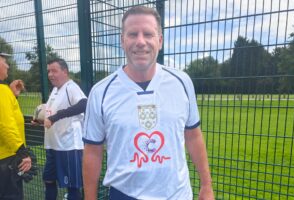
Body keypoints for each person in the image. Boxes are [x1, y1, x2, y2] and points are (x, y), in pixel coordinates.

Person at [82, 6, 214, 200]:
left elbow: (193, 136)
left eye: (148, 34)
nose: (140, 42)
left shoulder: (182, 82)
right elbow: (93, 151)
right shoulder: (101, 92)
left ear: (159, 40)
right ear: (122, 40)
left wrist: (207, 185)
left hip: (177, 195)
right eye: (133, 34)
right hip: (125, 195)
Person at [39, 58, 87, 200]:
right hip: (52, 145)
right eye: (48, 71)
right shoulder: (55, 90)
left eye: (54, 71)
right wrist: (41, 119)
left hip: (68, 146)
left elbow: (83, 104)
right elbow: (51, 113)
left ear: (65, 72)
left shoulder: (71, 87)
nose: (50, 74)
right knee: (48, 179)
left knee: (72, 186)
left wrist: (55, 118)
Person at [0, 52, 32, 199]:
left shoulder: (5, 92)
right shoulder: (2, 91)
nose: (7, 65)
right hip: (6, 159)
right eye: (4, 61)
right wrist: (23, 153)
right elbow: (5, 125)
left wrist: (12, 95)